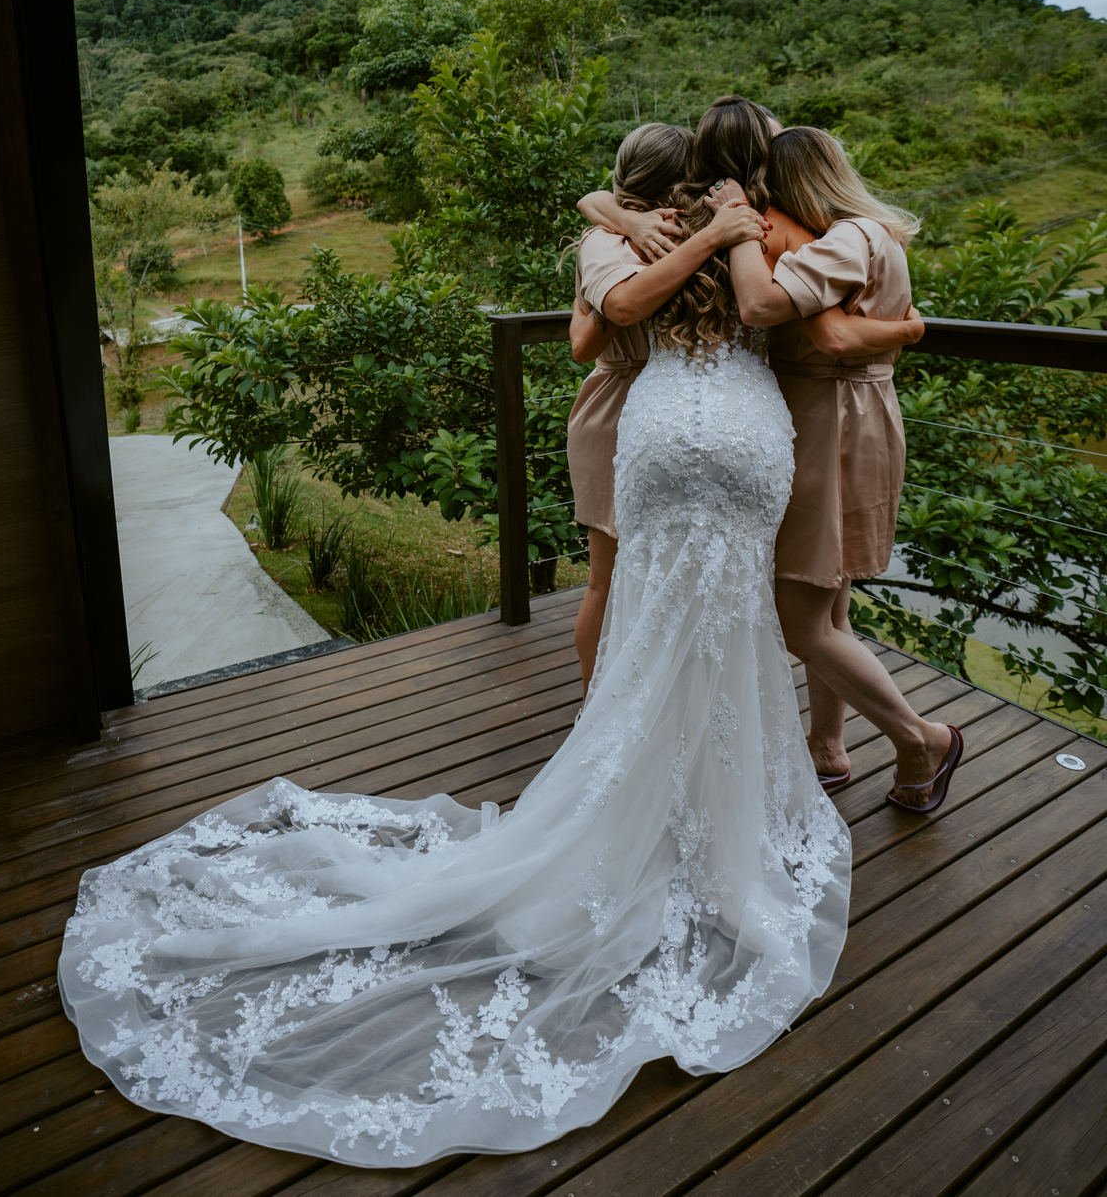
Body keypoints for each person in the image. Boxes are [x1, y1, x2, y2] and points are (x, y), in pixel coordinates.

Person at [57, 173, 851, 1170]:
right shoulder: (757, 244)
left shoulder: (642, 230)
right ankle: (695, 819)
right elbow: (742, 323)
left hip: (675, 436)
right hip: (738, 439)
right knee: (701, 635)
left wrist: (622, 216)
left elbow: (606, 282)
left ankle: (670, 809)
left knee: (670, 635)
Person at [577, 98, 926, 727]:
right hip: (757, 420)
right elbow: (820, 324)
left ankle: (630, 730)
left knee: (645, 581)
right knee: (766, 594)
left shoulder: (657, 225)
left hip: (661, 415)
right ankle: (801, 742)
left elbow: (600, 229)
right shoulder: (784, 229)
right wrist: (906, 331)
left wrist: (621, 217)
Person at [726, 126, 962, 814]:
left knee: (798, 619)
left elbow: (801, 322)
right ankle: (827, 749)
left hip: (826, 421)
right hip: (859, 413)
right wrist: (907, 331)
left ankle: (923, 740)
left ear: (794, 186)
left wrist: (747, 236)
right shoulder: (875, 236)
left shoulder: (843, 243)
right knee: (826, 601)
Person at [567, 120, 769, 694]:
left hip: (686, 411)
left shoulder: (687, 228)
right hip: (617, 409)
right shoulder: (611, 239)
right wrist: (621, 231)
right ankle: (595, 710)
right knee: (607, 580)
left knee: (667, 578)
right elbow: (584, 344)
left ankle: (659, 702)